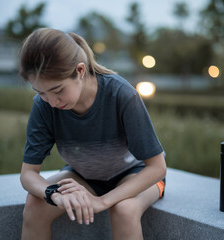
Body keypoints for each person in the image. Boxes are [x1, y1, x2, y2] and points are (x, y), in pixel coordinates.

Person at [19, 28, 167, 240]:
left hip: (136, 173)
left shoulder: (122, 95)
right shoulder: (43, 107)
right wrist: (53, 195)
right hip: (83, 175)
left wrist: (103, 201)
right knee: (35, 204)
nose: (52, 102)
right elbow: (28, 174)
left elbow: (157, 168)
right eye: (41, 92)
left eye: (58, 90)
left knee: (124, 210)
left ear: (80, 71)